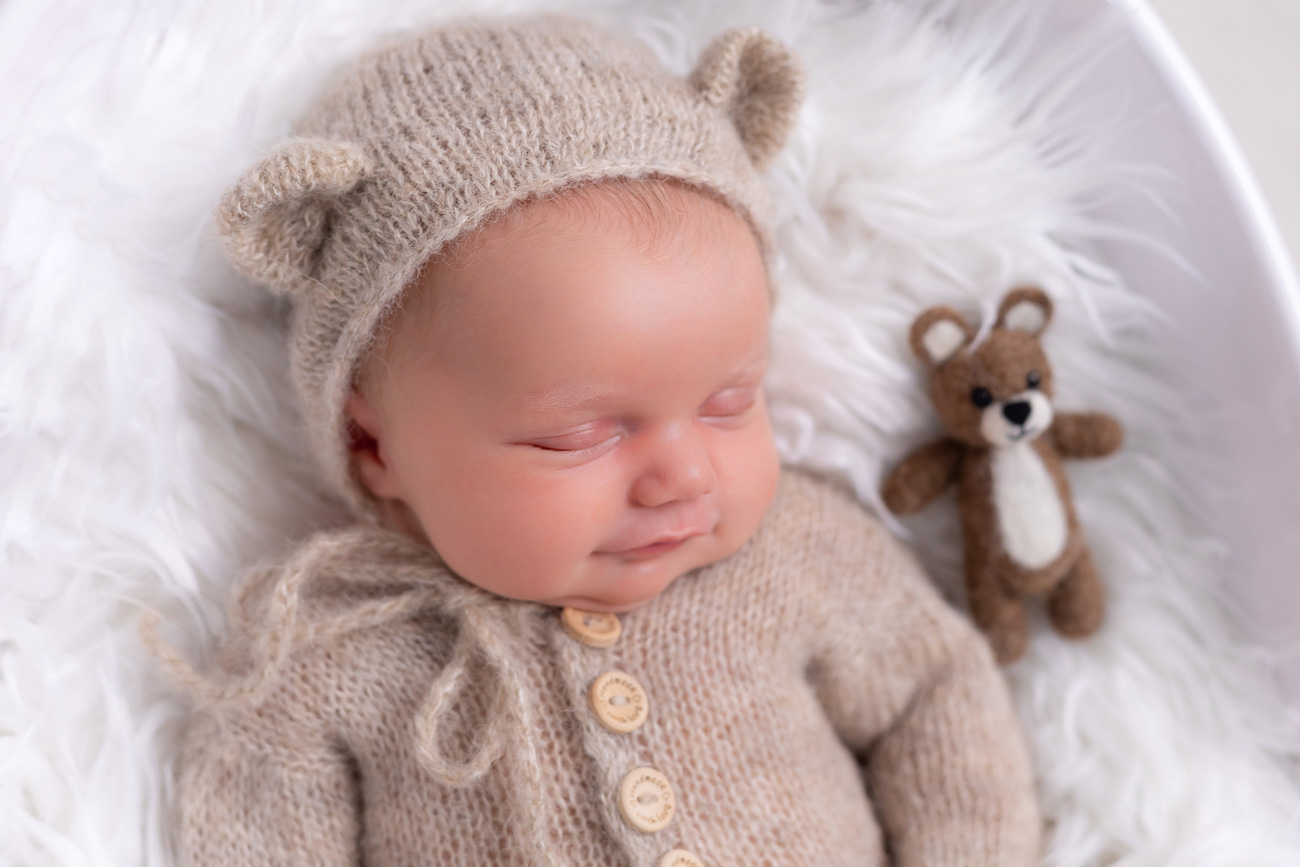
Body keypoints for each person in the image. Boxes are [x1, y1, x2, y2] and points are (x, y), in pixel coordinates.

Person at [152, 14, 1042, 866]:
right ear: (375, 445)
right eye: (577, 436)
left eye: (731, 401)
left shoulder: (796, 557)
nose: (685, 473)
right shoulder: (325, 652)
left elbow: (935, 691)